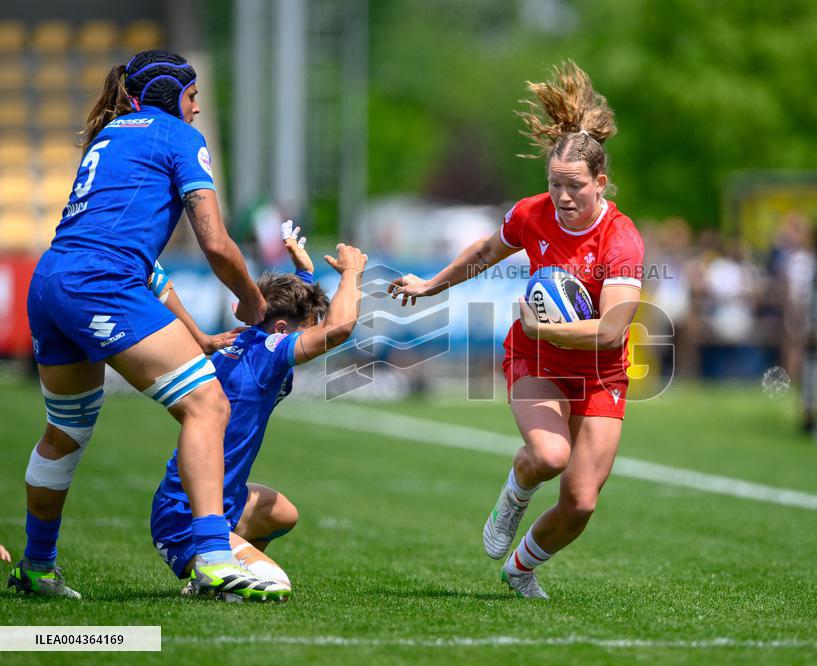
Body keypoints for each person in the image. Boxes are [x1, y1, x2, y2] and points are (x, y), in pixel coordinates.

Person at [10, 50, 284, 601]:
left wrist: (198, 336)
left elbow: (148, 265)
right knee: (208, 405)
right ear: (170, 96)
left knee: (66, 432)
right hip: (101, 283)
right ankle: (211, 557)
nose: (199, 107)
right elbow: (216, 242)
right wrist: (253, 300)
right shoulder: (179, 137)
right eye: (193, 95)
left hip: (53, 279)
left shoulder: (109, 137)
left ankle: (37, 566)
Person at [389, 62, 644, 599]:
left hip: (599, 370)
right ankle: (514, 493)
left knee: (581, 503)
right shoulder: (533, 214)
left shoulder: (622, 240)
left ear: (600, 182)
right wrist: (433, 285)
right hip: (536, 358)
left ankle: (521, 567)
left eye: (574, 186)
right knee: (549, 457)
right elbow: (486, 251)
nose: (563, 197)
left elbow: (613, 329)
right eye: (554, 185)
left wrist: (547, 327)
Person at [149, 223, 367, 599]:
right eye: (304, 332)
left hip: (207, 499)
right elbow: (339, 328)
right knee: (277, 587)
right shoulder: (270, 354)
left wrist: (305, 275)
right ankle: (214, 578)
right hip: (184, 519)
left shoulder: (249, 335)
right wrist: (351, 272)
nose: (309, 342)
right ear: (282, 330)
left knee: (283, 514)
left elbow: (287, 315)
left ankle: (218, 574)